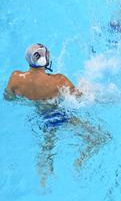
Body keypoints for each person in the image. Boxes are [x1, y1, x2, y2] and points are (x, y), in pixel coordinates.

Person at [4, 44, 109, 187]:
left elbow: (9, 98)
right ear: (45, 60)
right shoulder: (59, 80)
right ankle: (79, 161)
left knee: (47, 150)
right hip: (61, 115)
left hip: (41, 116)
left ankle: (43, 181)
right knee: (101, 137)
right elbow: (80, 97)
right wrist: (88, 87)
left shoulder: (15, 78)